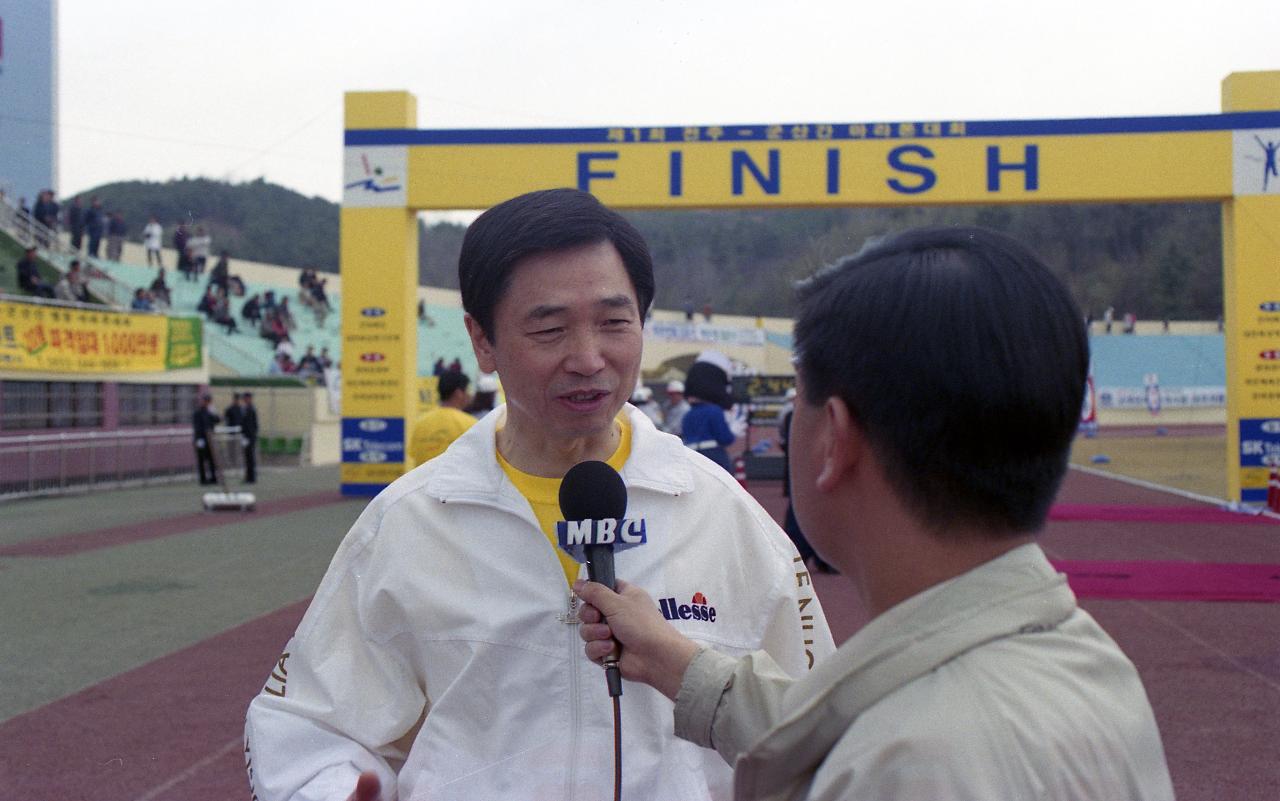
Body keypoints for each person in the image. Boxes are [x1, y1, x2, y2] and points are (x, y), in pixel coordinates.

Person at [244, 188, 834, 801]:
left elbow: (818, 725)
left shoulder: (721, 513)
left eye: (614, 322)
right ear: (482, 341)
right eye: (549, 329)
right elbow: (306, 723)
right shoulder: (409, 521)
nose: (587, 358)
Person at [576, 226, 1175, 801]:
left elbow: (886, 746)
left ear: (834, 440)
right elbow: (843, 725)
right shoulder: (1087, 661)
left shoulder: (911, 762)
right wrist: (676, 662)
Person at [406, 370, 475, 467]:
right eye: (468, 390)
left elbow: (414, 454)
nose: (470, 395)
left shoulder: (420, 423)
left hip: (425, 481)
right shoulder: (471, 424)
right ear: (459, 393)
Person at [680, 352, 737, 472]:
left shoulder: (688, 415)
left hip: (690, 456)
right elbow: (725, 438)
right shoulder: (714, 411)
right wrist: (733, 432)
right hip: (713, 456)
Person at [192, 393, 221, 486]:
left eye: (208, 401)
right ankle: (203, 479)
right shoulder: (198, 412)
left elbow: (218, 420)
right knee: (201, 460)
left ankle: (213, 478)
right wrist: (199, 439)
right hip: (201, 439)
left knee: (212, 459)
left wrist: (214, 412)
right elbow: (197, 426)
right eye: (206, 400)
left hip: (210, 439)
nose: (207, 403)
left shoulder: (210, 412)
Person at [239, 391, 259, 484]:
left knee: (250, 458)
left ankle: (251, 478)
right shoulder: (245, 408)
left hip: (250, 437)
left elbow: (252, 425)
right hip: (246, 436)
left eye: (246, 398)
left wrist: (249, 437)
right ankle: (248, 477)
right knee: (247, 458)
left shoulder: (251, 409)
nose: (244, 400)